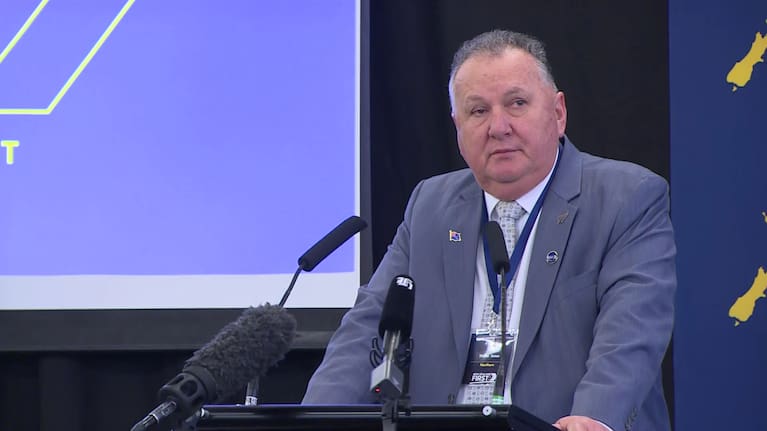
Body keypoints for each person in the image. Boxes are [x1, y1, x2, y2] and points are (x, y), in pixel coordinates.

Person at [303, 29, 676, 431]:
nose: (498, 127)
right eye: (478, 111)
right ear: (457, 127)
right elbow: (367, 330)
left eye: (517, 104)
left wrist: (594, 417)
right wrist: (313, 421)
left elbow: (630, 334)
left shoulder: (625, 198)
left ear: (558, 113)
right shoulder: (431, 205)